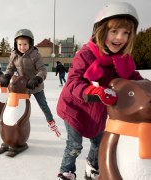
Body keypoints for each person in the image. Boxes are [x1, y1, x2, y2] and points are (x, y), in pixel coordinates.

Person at [56, 2, 144, 180]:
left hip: (98, 112)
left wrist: (146, 88)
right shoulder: (85, 55)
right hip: (74, 108)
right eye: (114, 31)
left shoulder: (123, 60)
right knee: (75, 145)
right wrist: (94, 91)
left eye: (126, 33)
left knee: (99, 142)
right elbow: (73, 82)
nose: (120, 37)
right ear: (101, 30)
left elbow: (132, 77)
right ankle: (67, 172)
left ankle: (92, 167)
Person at [0, 29, 61, 137]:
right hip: (22, 86)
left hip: (36, 86)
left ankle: (51, 123)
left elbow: (42, 70)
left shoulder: (35, 55)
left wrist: (37, 79)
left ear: (30, 44)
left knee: (43, 105)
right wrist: (7, 76)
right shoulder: (14, 55)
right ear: (16, 44)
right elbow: (10, 68)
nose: (22, 47)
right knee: (17, 105)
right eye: (20, 44)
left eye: (25, 44)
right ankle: (15, 126)